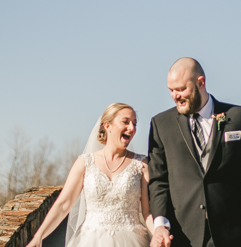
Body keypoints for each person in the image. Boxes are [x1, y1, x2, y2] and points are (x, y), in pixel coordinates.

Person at [148, 58, 241, 247]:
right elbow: (159, 180)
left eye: (181, 89)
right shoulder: (161, 124)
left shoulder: (239, 118)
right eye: (171, 90)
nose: (175, 96)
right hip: (181, 235)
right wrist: (160, 224)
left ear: (201, 82)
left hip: (229, 233)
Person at [25, 103, 153, 247]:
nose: (132, 128)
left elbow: (147, 212)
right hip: (90, 240)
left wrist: (158, 234)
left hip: (132, 241)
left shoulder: (141, 164)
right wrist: (39, 236)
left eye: (134, 124)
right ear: (107, 125)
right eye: (125, 122)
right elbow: (63, 204)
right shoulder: (85, 162)